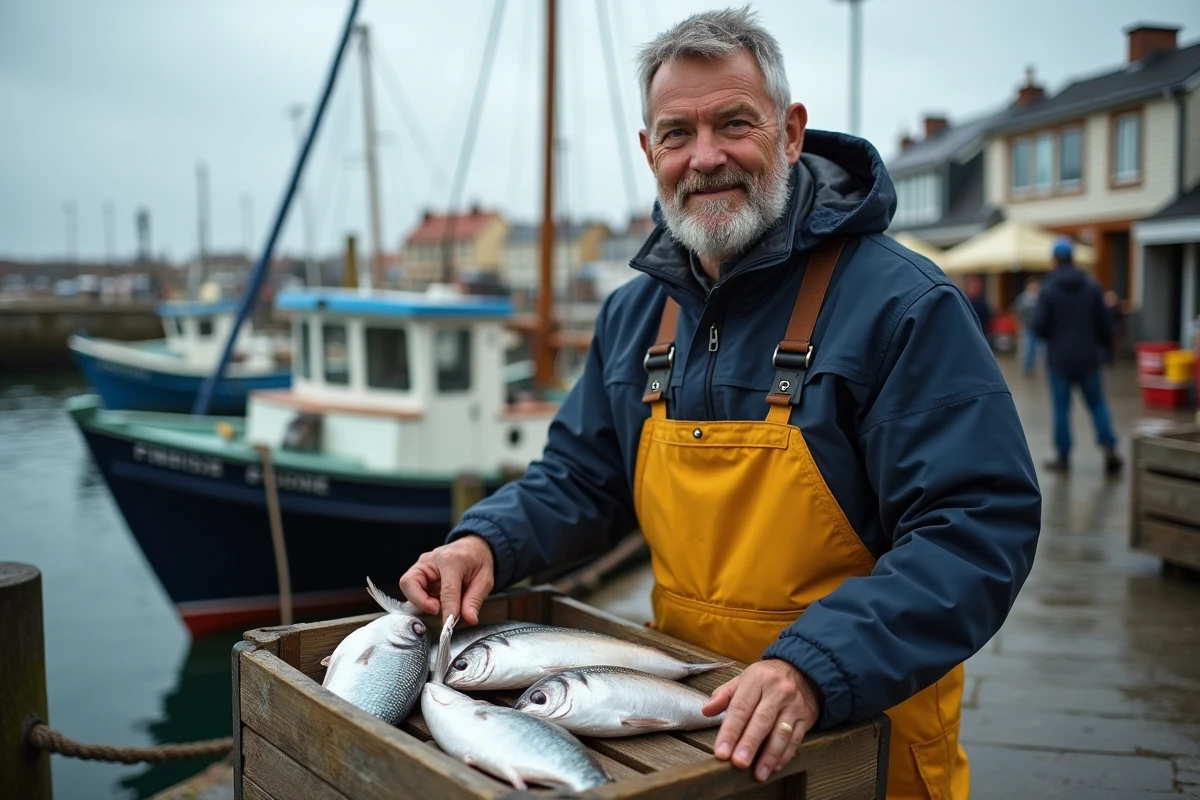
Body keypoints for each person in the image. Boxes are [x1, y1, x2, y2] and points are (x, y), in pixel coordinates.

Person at [400, 9, 1040, 799]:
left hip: (863, 740)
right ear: (649, 152)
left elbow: (977, 526)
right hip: (692, 734)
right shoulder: (634, 317)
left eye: (734, 123)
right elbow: (582, 477)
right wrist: (484, 545)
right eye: (676, 134)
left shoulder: (904, 307)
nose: (705, 158)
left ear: (791, 131)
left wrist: (818, 665)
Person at [1031, 237, 1123, 473]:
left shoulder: (1049, 289)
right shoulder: (1092, 286)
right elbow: (1104, 324)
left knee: (1062, 408)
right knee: (1097, 403)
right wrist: (1104, 349)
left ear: (1054, 260)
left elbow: (1039, 326)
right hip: (1088, 357)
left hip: (1059, 359)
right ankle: (1109, 445)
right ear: (1072, 258)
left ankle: (1063, 457)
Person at [1014, 278, 1042, 374]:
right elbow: (1018, 311)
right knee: (1028, 347)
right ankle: (1027, 367)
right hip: (1027, 326)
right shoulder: (1023, 299)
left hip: (1038, 327)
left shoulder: (1041, 297)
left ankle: (1034, 366)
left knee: (1037, 348)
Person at [965, 275, 992, 345]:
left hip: (981, 335)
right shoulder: (964, 302)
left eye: (977, 287)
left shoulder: (983, 304)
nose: (975, 289)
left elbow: (988, 320)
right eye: (973, 287)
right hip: (968, 335)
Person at [1102, 290, 1123, 365]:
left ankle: (1110, 360)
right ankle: (1104, 359)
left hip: (1112, 328)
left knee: (1111, 345)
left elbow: (1119, 319)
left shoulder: (1116, 308)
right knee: (1104, 345)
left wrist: (1117, 328)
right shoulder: (1104, 307)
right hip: (1105, 328)